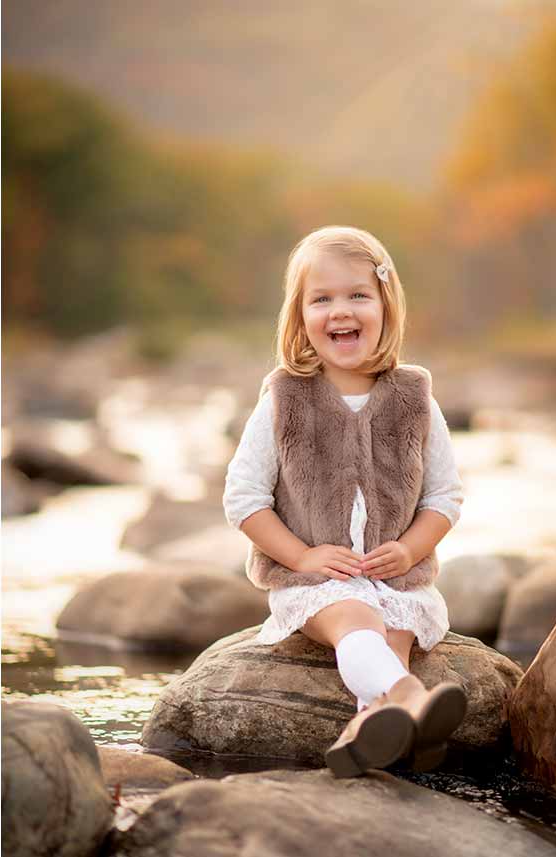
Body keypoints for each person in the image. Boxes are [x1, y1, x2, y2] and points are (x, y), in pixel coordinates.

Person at [222, 225, 467, 777]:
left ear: (386, 304)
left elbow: (445, 496)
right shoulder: (285, 397)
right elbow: (244, 498)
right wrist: (302, 557)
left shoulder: (415, 399)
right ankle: (409, 696)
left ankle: (369, 738)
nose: (341, 310)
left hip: (398, 582)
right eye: (322, 298)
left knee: (391, 638)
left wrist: (409, 549)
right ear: (300, 315)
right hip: (317, 584)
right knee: (359, 623)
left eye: (358, 294)